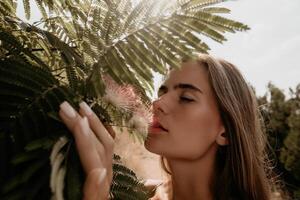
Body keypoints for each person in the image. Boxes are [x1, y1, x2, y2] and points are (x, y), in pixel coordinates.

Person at [59, 54, 275, 200]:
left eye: (186, 98)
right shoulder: (134, 193)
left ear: (225, 131)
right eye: (162, 92)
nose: (157, 103)